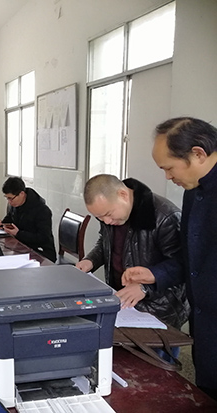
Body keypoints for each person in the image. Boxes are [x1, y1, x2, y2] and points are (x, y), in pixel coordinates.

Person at [122, 117, 217, 400]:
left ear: (198, 154)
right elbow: (192, 259)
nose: (167, 177)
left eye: (169, 168)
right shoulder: (194, 191)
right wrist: (154, 275)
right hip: (206, 330)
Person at [76, 174, 189, 332]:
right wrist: (90, 261)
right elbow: (105, 243)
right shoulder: (110, 214)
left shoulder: (165, 216)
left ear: (123, 194)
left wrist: (145, 288)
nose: (107, 221)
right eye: (100, 218)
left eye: (108, 214)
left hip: (160, 309)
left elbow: (183, 267)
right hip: (123, 302)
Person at [0, 176, 56, 262]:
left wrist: (18, 233)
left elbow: (43, 238)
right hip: (23, 247)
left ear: (22, 194)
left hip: (41, 252)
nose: (9, 202)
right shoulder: (16, 204)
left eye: (11, 198)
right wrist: (1, 224)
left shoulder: (42, 210)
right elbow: (10, 219)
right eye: (7, 198)